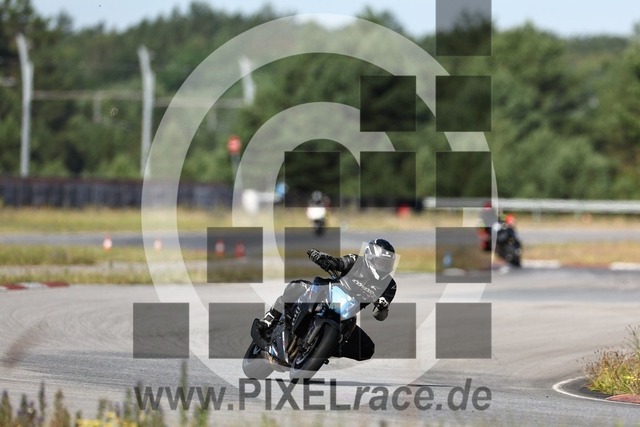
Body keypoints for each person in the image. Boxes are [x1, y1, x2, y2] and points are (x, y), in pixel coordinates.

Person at [257, 238, 397, 361]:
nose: (384, 267)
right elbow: (338, 262)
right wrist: (321, 258)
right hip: (328, 293)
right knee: (297, 286)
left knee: (367, 349)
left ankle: (323, 349)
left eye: (387, 264)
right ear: (370, 257)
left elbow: (380, 316)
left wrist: (382, 307)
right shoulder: (355, 261)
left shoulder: (390, 285)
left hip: (347, 314)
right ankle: (271, 317)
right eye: (381, 263)